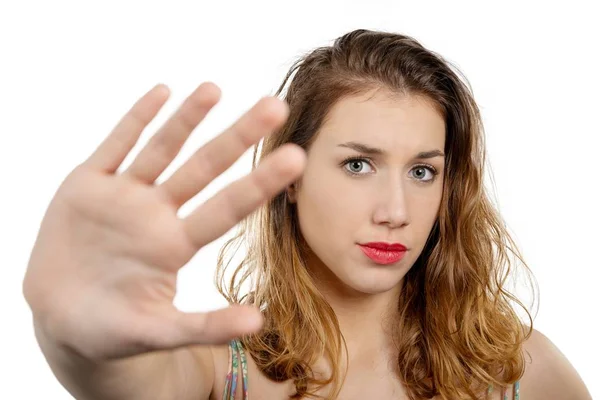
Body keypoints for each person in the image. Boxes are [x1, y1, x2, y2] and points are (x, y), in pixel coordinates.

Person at [22, 29, 591, 400]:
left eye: (423, 172)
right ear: (290, 178)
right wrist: (65, 335)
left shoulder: (518, 371)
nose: (396, 212)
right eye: (359, 166)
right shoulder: (221, 372)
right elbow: (123, 377)